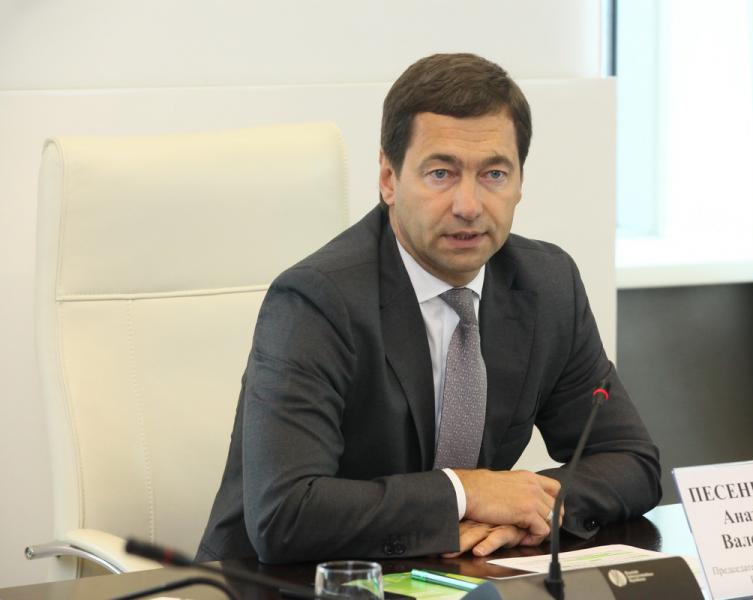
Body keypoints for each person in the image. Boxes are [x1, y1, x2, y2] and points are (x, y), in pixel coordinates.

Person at [197, 53, 661, 564]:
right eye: (441, 173)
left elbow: (631, 461)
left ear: (520, 183)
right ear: (388, 178)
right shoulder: (316, 301)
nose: (468, 205)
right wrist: (466, 493)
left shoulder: (546, 286)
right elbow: (285, 514)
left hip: (451, 576)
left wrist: (528, 508)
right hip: (286, 582)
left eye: (494, 174)